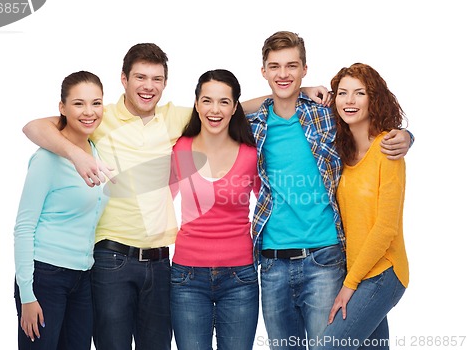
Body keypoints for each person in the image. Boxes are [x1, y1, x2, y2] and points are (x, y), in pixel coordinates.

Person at [21, 43, 331, 350]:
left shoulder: (177, 120)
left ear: (165, 84)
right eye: (140, 78)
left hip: (163, 262)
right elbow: (34, 127)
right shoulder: (101, 116)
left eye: (156, 79)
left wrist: (297, 92)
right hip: (112, 257)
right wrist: (77, 155)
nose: (148, 86)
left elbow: (230, 106)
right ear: (124, 80)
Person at [246, 31, 413, 350]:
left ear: (305, 68)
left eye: (292, 66)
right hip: (271, 263)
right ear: (263, 71)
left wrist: (406, 136)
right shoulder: (255, 123)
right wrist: (294, 92)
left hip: (324, 258)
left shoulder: (326, 114)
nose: (284, 74)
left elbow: (370, 122)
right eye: (275, 67)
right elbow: (222, 109)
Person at [13, 71, 108, 350]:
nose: (89, 112)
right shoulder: (46, 158)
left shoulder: (96, 149)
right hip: (45, 277)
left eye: (96, 103)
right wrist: (27, 295)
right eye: (78, 104)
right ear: (62, 108)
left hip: (83, 277)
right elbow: (23, 227)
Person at [319, 63, 408, 350]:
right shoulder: (342, 153)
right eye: (343, 93)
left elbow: (385, 228)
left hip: (383, 273)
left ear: (374, 99)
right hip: (357, 271)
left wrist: (350, 284)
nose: (350, 100)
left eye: (359, 93)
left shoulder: (388, 150)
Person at [169, 69, 260, 350]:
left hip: (240, 277)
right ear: (196, 105)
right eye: (207, 101)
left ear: (235, 108)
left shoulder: (250, 154)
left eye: (224, 102)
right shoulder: (180, 149)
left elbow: (272, 206)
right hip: (186, 277)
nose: (214, 109)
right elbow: (158, 201)